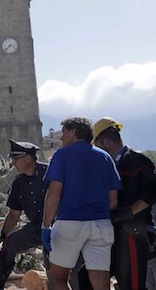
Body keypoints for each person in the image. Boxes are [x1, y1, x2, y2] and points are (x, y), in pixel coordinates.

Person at [42, 117, 121, 290]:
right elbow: (113, 199)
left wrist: (46, 225)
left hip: (69, 223)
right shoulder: (105, 157)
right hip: (101, 224)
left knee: (59, 278)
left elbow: (54, 192)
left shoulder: (61, 155)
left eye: (63, 133)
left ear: (73, 132)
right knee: (101, 277)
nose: (61, 138)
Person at [92, 117, 156, 290]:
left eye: (97, 145)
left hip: (133, 232)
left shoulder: (134, 160)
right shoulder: (111, 165)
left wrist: (130, 211)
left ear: (105, 142)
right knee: (89, 278)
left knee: (133, 286)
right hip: (115, 233)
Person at [0, 140, 49, 290]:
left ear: (28, 158)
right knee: (9, 245)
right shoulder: (18, 182)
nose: (13, 163)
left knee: (55, 267)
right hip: (34, 227)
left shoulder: (50, 173)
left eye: (15, 158)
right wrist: (2, 236)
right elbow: (14, 214)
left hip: (55, 227)